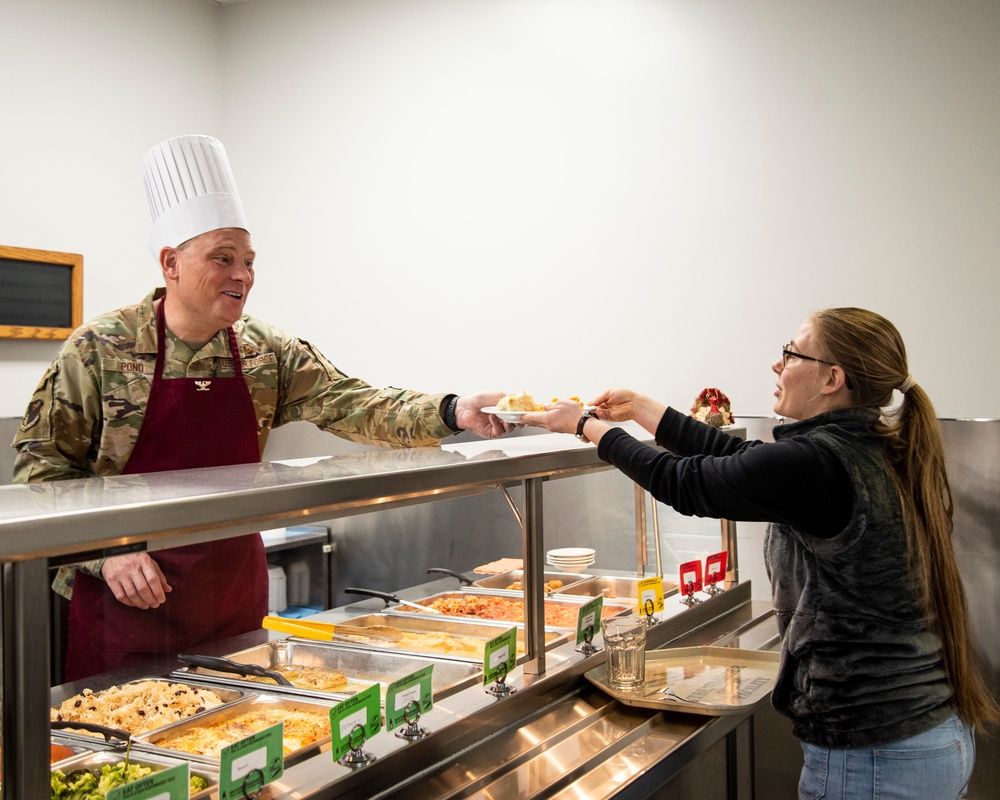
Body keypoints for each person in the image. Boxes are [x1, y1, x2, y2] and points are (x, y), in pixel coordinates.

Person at [11, 134, 513, 681]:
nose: (243, 275)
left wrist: (452, 411)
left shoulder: (263, 350)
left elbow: (354, 401)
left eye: (248, 261)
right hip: (126, 606)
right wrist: (104, 555)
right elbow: (41, 473)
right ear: (170, 263)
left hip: (230, 598)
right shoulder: (99, 350)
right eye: (222, 258)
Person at [522, 307, 997, 800]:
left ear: (832, 378)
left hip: (874, 755)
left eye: (791, 353)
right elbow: (736, 461)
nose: (777, 364)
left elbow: (686, 484)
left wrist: (586, 426)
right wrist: (642, 409)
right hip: (927, 734)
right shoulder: (867, 445)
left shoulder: (818, 462)